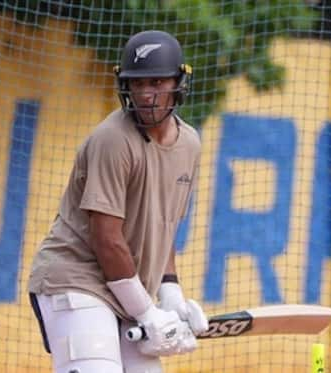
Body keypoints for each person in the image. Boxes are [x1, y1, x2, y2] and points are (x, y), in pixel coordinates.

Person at [28, 30, 207, 373]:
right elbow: (106, 238)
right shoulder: (113, 139)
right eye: (137, 84)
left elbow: (165, 224)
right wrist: (147, 314)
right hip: (77, 281)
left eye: (157, 82)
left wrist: (171, 295)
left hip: (126, 291)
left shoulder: (190, 144)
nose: (146, 94)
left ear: (179, 82)